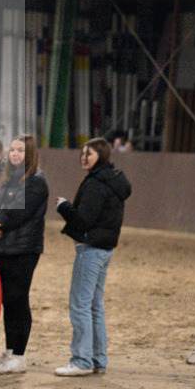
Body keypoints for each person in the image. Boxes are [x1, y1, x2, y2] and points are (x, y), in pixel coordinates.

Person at [54, 137, 131, 376]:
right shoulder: (113, 181)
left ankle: (82, 361)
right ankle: (98, 359)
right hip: (104, 249)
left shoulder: (96, 184)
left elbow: (83, 219)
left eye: (89, 154)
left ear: (101, 156)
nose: (84, 157)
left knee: (80, 305)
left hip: (90, 249)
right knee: (95, 306)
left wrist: (64, 206)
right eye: (83, 153)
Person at [0, 135, 48, 375]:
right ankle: (10, 352)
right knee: (8, 302)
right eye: (12, 150)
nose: (14, 154)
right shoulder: (7, 178)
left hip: (23, 249)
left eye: (20, 151)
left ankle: (19, 355)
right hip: (4, 248)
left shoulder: (36, 181)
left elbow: (17, 212)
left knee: (18, 301)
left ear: (29, 154)